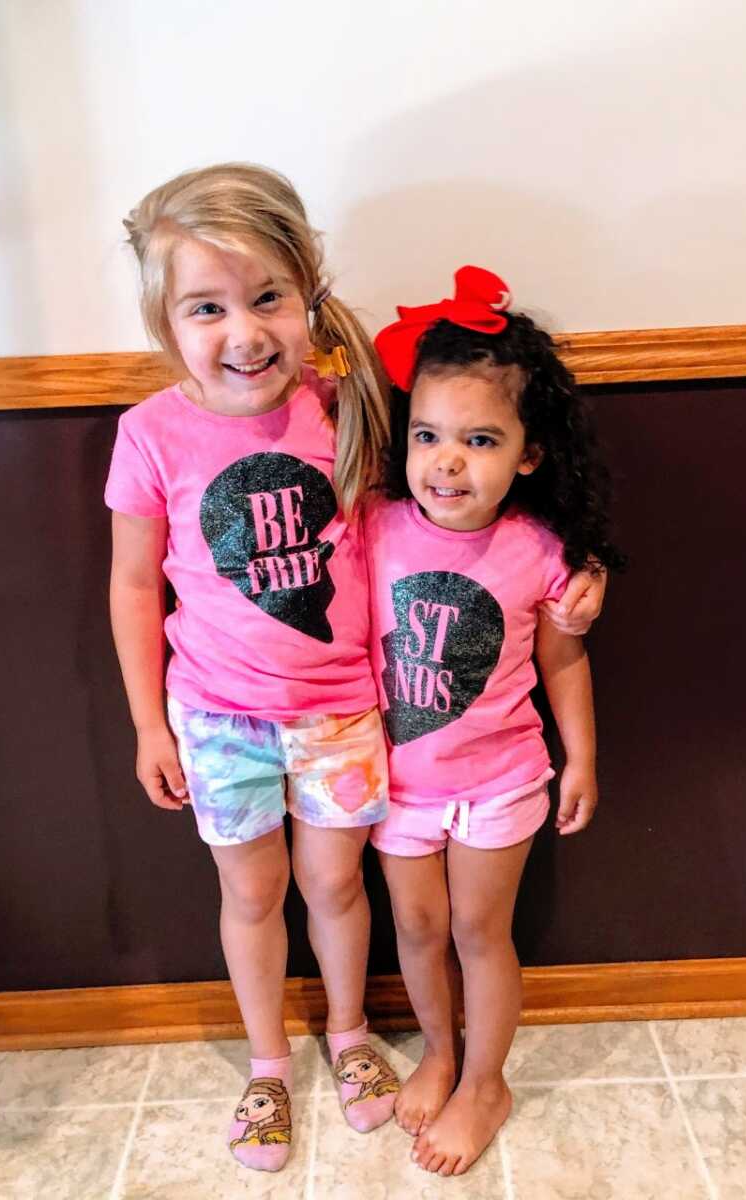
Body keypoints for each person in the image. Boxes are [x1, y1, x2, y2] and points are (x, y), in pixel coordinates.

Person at [106, 162, 403, 1172]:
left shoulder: (347, 407)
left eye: (267, 296)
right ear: (167, 323)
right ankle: (268, 1064)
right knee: (250, 895)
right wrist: (150, 723)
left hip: (341, 714)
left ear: (306, 291)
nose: (244, 332)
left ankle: (353, 1036)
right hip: (216, 720)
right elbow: (137, 587)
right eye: (207, 307)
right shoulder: (150, 435)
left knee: (336, 886)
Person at [366, 266, 625, 1177]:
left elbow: (562, 659)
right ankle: (440, 1051)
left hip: (501, 780)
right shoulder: (372, 527)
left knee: (481, 933)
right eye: (429, 436)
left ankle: (486, 1082)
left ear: (526, 453)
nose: (447, 462)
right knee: (420, 929)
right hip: (392, 784)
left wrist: (582, 757)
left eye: (479, 440)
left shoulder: (542, 551)